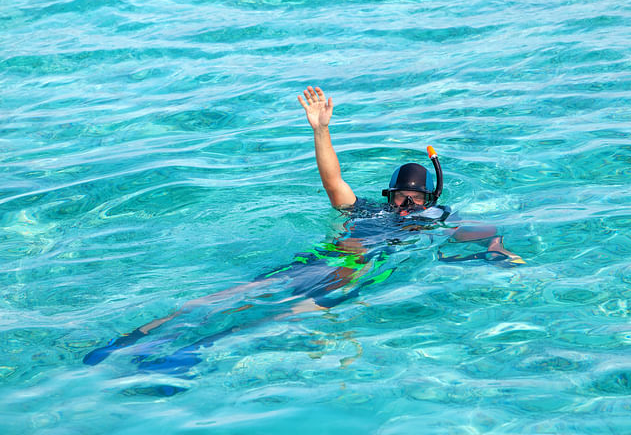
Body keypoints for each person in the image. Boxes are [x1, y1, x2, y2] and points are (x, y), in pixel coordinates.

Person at [83, 87, 524, 373]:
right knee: (233, 296)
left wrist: (499, 246)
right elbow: (333, 182)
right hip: (328, 263)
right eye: (399, 198)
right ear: (388, 196)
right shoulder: (368, 212)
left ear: (430, 199)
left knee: (277, 312)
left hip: (341, 268)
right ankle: (133, 340)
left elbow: (484, 229)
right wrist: (321, 131)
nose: (407, 206)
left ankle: (187, 352)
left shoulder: (435, 221)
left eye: (416, 200)